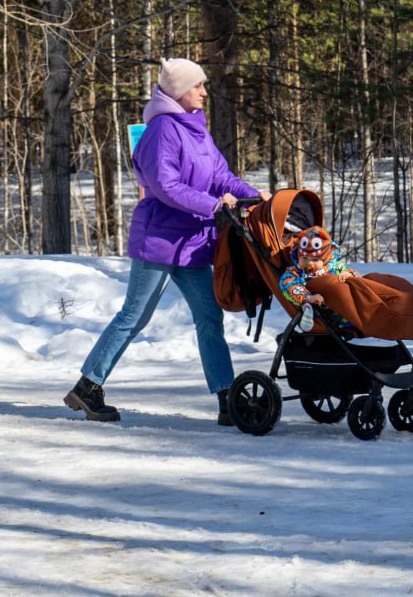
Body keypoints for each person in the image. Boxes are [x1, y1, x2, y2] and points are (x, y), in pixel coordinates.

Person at [65, 58, 271, 424]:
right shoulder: (162, 130)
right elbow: (165, 186)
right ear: (178, 92)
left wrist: (258, 198)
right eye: (198, 86)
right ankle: (87, 387)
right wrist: (212, 205)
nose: (205, 92)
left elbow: (222, 176)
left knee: (210, 316)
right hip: (159, 240)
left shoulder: (196, 130)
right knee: (135, 316)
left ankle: (227, 398)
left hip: (192, 243)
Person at [279, 225, 359, 329]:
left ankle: (354, 316)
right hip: (318, 304)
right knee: (292, 286)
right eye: (304, 258)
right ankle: (308, 310)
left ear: (325, 260)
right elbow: (288, 284)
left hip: (339, 302)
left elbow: (354, 276)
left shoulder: (334, 267)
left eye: (315, 260)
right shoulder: (296, 271)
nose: (309, 262)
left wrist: (349, 275)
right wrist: (307, 297)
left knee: (351, 288)